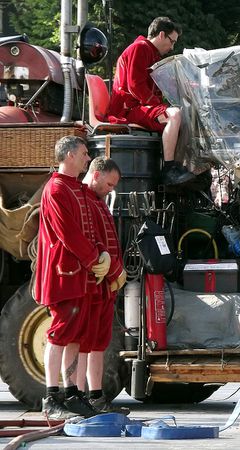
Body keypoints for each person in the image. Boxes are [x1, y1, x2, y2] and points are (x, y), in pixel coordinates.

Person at [36, 136, 110, 420]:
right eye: (82, 153)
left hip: (79, 275)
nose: (87, 158)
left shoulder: (75, 188)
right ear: (67, 155)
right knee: (59, 333)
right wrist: (95, 259)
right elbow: (69, 234)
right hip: (63, 274)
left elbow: (90, 232)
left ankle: (70, 394)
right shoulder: (56, 189)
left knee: (75, 335)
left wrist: (100, 253)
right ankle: (51, 396)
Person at [108, 16, 194, 186]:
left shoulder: (148, 52)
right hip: (128, 110)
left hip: (136, 107)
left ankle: (177, 166)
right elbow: (135, 86)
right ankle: (169, 170)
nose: (172, 47)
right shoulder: (140, 48)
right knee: (174, 115)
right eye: (172, 41)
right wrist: (159, 105)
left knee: (179, 114)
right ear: (161, 34)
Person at [77, 157, 129, 414]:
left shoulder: (97, 201)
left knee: (98, 343)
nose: (111, 189)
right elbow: (93, 242)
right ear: (96, 175)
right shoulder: (83, 200)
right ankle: (80, 397)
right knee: (84, 343)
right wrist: (113, 271)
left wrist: (117, 272)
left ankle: (95, 396)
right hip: (94, 283)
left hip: (106, 284)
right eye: (109, 183)